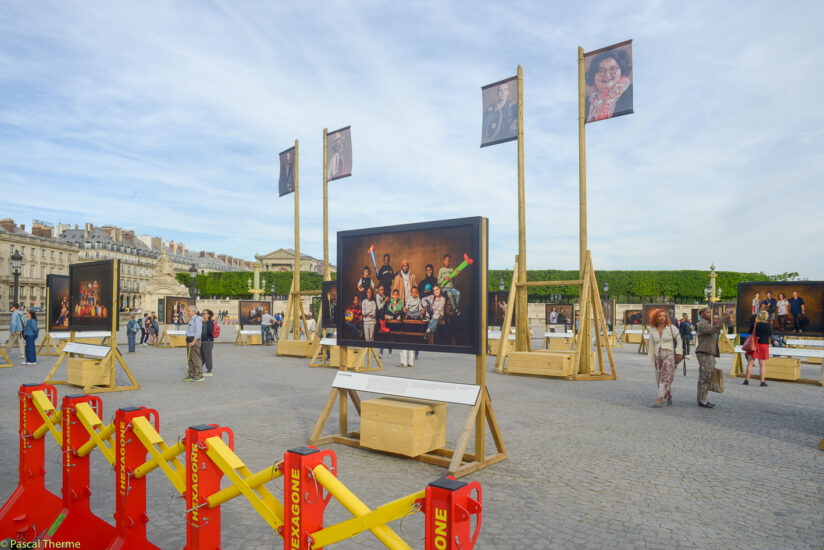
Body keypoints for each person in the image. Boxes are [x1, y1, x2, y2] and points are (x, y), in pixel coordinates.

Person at [585, 48, 633, 122]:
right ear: (593, 75)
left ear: (622, 70)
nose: (607, 75)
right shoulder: (586, 103)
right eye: (601, 71)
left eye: (613, 69)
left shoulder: (632, 93)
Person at [648, 308, 683, 407]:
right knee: (659, 378)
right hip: (657, 355)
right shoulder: (652, 330)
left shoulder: (671, 328)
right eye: (660, 316)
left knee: (665, 376)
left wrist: (679, 353)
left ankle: (660, 398)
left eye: (664, 316)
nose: (662, 318)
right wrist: (650, 359)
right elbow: (651, 345)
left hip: (669, 354)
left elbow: (679, 340)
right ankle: (669, 396)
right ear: (656, 318)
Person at [695, 307, 726, 409]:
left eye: (710, 312)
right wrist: (723, 319)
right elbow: (713, 330)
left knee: (706, 377)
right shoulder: (702, 324)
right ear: (702, 314)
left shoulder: (706, 323)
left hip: (708, 352)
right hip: (704, 353)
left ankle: (702, 398)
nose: (710, 314)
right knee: (705, 377)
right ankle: (702, 400)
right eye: (708, 312)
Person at [744, 310, 772, 386]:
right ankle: (762, 382)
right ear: (766, 317)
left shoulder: (754, 324)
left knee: (750, 363)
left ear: (758, 317)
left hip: (754, 345)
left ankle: (747, 381)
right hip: (764, 345)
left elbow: (749, 332)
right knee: (762, 364)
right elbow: (769, 334)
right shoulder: (768, 326)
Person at [184, 305, 204, 382]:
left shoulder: (197, 319)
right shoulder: (191, 319)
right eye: (187, 311)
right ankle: (191, 374)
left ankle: (199, 375)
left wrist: (193, 342)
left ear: (194, 311)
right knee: (190, 358)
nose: (187, 312)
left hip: (194, 340)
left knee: (195, 358)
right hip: (189, 340)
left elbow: (198, 332)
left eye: (189, 311)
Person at [201, 309, 215, 377]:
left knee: (207, 356)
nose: (203, 315)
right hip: (202, 341)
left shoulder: (210, 323)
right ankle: (198, 369)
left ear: (208, 315)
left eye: (204, 313)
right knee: (201, 356)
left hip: (208, 341)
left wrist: (203, 329)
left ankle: (209, 371)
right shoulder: (203, 322)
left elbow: (210, 332)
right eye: (202, 313)